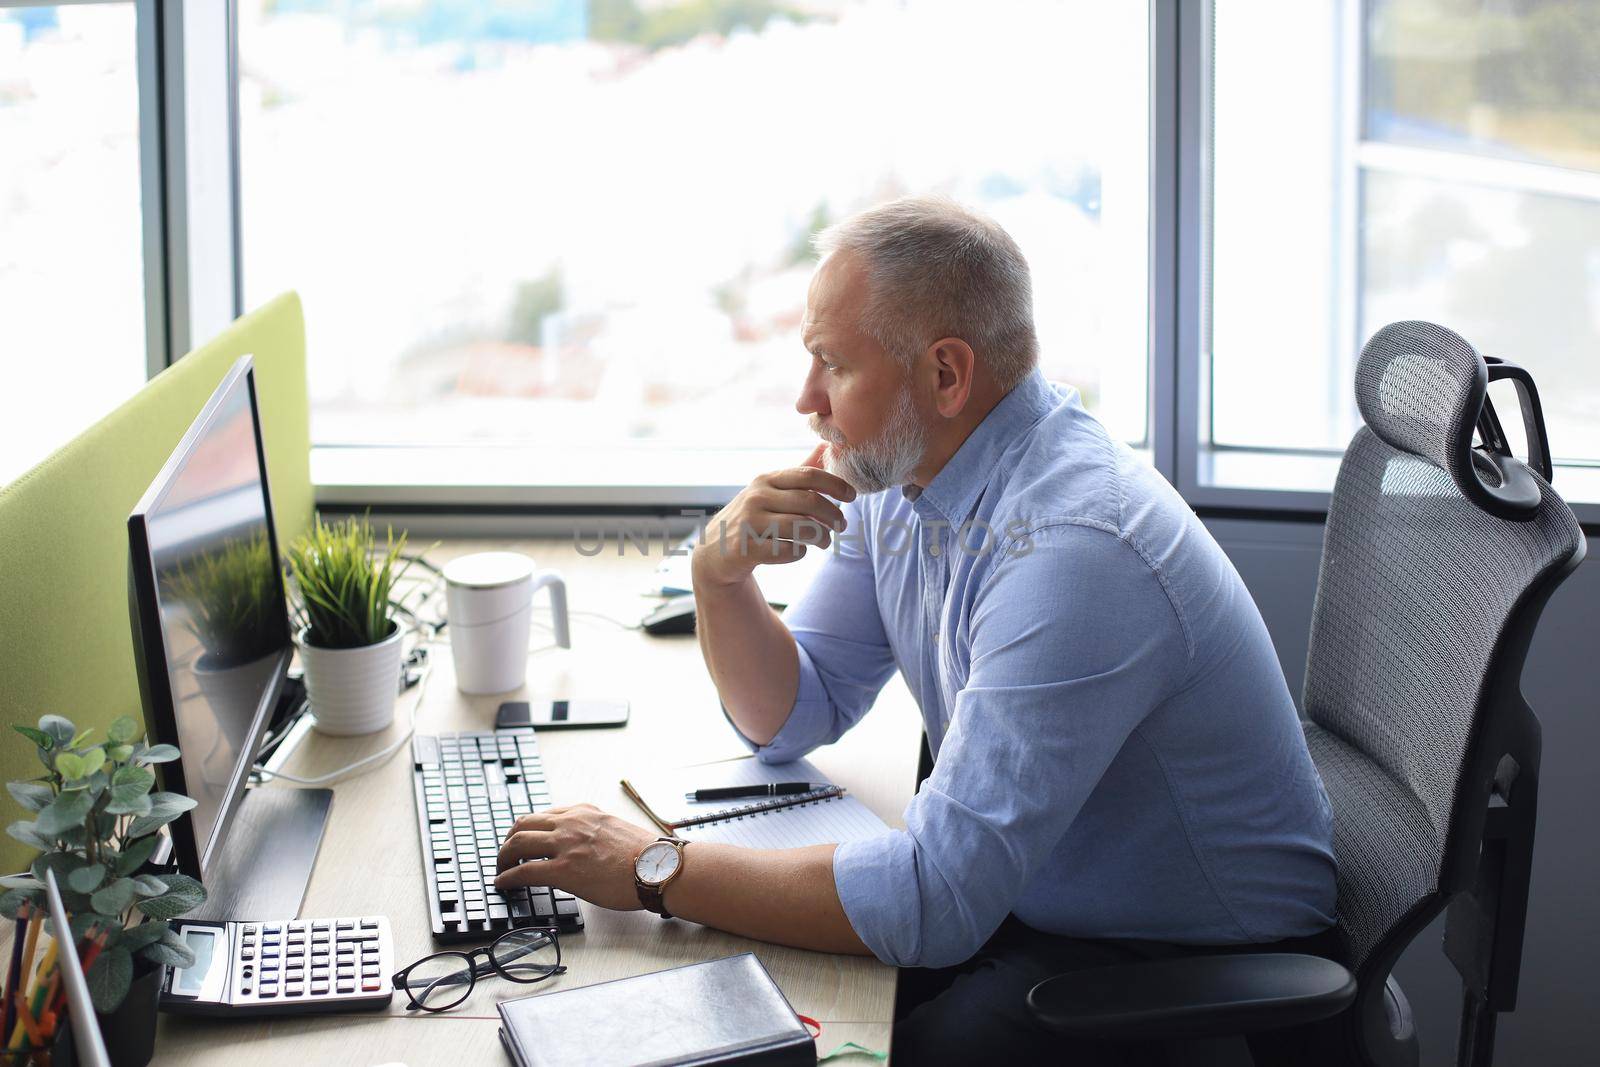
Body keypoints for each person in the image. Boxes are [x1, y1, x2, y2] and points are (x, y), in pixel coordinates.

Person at [496, 196, 1337, 1063]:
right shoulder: (908, 477)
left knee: (850, 1039)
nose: (805, 399)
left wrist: (653, 868)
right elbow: (791, 715)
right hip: (1047, 891)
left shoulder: (1079, 554)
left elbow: (934, 901)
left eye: (833, 364)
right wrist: (720, 571)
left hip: (1198, 963)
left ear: (945, 376)